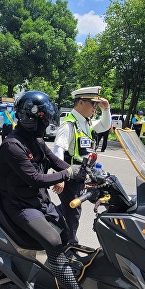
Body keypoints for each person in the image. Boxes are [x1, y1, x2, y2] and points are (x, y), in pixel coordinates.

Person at [0, 90, 121, 289]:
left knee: (65, 232)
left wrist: (87, 174)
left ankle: (61, 272)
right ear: (32, 119)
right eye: (45, 120)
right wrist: (68, 174)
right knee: (53, 241)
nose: (48, 124)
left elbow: (56, 161)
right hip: (20, 204)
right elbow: (35, 177)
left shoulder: (36, 140)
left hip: (37, 200)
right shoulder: (13, 145)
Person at [52, 86, 111, 246]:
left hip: (81, 176)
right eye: (93, 103)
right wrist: (61, 177)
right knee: (73, 213)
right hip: (69, 177)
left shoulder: (86, 123)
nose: (95, 107)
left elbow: (105, 126)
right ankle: (70, 245)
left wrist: (106, 109)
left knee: (68, 208)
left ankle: (48, 219)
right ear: (80, 102)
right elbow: (58, 150)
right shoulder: (69, 125)